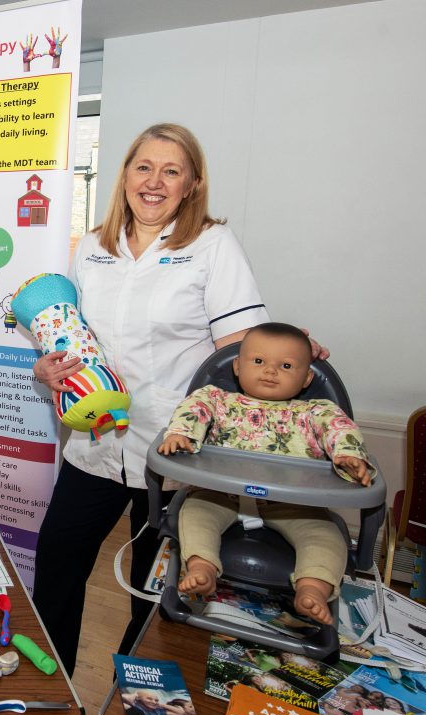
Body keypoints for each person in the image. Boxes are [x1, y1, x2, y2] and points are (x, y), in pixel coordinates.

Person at [30, 123, 328, 677]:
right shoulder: (94, 246)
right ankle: (51, 686)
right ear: (124, 175)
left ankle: (134, 697)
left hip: (174, 451)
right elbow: (71, 334)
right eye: (144, 167)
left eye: (172, 171)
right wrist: (47, 367)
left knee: (156, 583)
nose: (155, 181)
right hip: (95, 444)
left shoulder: (212, 245)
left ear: (192, 185)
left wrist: (289, 347)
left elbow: (242, 346)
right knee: (57, 564)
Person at [159, 322, 374, 624]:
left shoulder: (315, 412)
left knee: (325, 537)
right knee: (195, 514)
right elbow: (193, 409)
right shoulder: (218, 399)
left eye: (286, 365)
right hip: (220, 495)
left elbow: (339, 429)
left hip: (294, 506)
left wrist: (348, 455)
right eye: (259, 361)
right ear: (238, 366)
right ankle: (202, 568)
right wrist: (181, 434)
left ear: (307, 378)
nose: (270, 371)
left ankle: (311, 589)